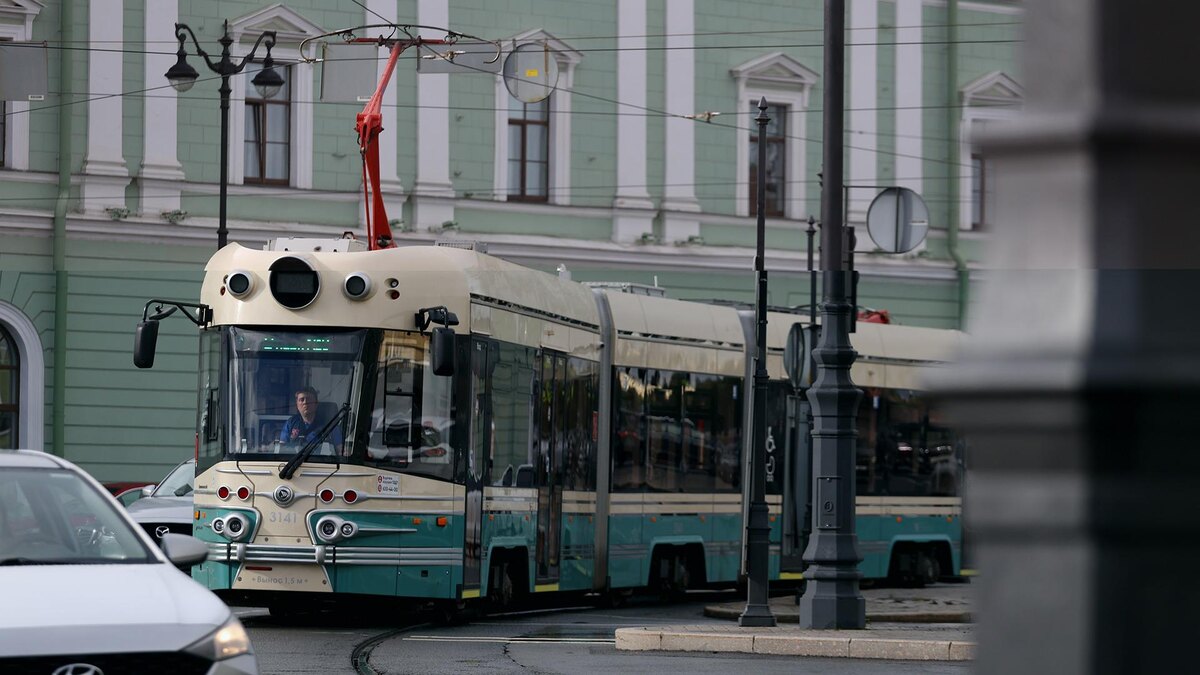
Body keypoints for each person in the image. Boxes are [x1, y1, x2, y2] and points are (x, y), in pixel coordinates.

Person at [279, 386, 344, 453]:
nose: (305, 402)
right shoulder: (290, 423)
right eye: (301, 400)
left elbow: (340, 449)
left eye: (309, 399)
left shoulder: (329, 424)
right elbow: (281, 448)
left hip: (321, 462)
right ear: (297, 405)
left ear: (316, 404)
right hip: (294, 462)